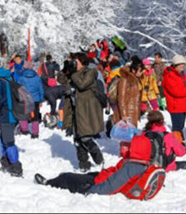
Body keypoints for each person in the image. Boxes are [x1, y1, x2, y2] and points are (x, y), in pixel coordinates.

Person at [33, 134, 163, 197]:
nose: (126, 147)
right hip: (102, 177)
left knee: (67, 177)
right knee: (86, 175)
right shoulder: (142, 163)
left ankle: (49, 183)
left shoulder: (131, 167)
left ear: (137, 149)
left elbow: (111, 186)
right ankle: (59, 180)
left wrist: (91, 192)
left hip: (97, 184)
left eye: (130, 146)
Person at [0, 59, 23, 177]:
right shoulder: (8, 77)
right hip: (12, 112)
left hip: (6, 113)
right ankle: (6, 162)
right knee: (4, 137)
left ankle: (16, 166)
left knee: (8, 140)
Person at [69, 53, 105, 171]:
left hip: (86, 109)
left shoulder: (90, 72)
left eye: (76, 62)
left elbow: (82, 84)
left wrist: (73, 75)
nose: (75, 64)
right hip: (76, 109)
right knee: (77, 139)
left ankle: (98, 158)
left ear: (82, 62)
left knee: (85, 137)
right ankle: (83, 165)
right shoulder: (75, 74)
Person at [163, 55, 186, 142]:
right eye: (181, 66)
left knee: (181, 126)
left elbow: (184, 88)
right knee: (177, 127)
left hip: (182, 105)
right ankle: (176, 144)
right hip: (175, 106)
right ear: (176, 65)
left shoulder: (181, 74)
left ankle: (179, 143)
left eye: (183, 66)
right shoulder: (169, 76)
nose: (183, 68)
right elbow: (177, 92)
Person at [15, 60, 45, 138]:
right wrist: (41, 100)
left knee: (23, 114)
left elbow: (18, 88)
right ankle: (35, 133)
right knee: (35, 116)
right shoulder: (37, 78)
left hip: (25, 98)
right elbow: (41, 89)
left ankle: (24, 130)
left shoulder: (21, 78)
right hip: (35, 99)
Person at [113, 57, 144, 127]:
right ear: (133, 70)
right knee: (125, 136)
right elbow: (121, 98)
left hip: (132, 113)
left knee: (131, 136)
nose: (142, 73)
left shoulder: (136, 79)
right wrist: (123, 115)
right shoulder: (125, 79)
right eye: (140, 71)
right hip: (127, 114)